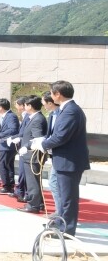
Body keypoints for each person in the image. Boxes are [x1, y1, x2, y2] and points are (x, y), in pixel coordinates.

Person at [32, 80, 90, 236]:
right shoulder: (67, 109)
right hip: (64, 160)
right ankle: (60, 224)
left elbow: (60, 137)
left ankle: (67, 230)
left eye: (52, 93)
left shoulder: (71, 111)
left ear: (58, 94)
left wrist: (42, 144)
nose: (50, 96)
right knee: (64, 196)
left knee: (68, 198)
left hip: (69, 161)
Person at [16, 96, 47, 213]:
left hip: (32, 155)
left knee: (32, 181)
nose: (24, 107)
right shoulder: (34, 118)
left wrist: (26, 146)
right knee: (34, 181)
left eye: (25, 105)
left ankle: (33, 205)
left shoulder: (37, 119)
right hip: (30, 155)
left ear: (30, 106)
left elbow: (37, 138)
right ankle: (38, 203)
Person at [0, 98, 19, 195]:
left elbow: (13, 130)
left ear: (1, 107)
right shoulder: (6, 116)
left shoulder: (11, 116)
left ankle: (7, 186)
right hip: (4, 145)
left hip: (7, 146)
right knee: (7, 166)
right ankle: (9, 186)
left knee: (3, 165)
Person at [41, 91, 61, 214]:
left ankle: (60, 212)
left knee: (53, 183)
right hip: (54, 154)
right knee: (54, 183)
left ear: (50, 102)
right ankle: (60, 211)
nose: (43, 105)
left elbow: (59, 136)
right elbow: (50, 134)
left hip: (62, 156)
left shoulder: (62, 114)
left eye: (44, 102)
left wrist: (44, 144)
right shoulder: (52, 115)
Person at [8, 96, 30, 202]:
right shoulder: (24, 116)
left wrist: (16, 137)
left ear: (22, 105)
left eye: (17, 105)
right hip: (22, 147)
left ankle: (23, 192)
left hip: (27, 148)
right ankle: (20, 191)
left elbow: (25, 133)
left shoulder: (29, 116)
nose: (16, 107)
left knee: (24, 173)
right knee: (22, 172)